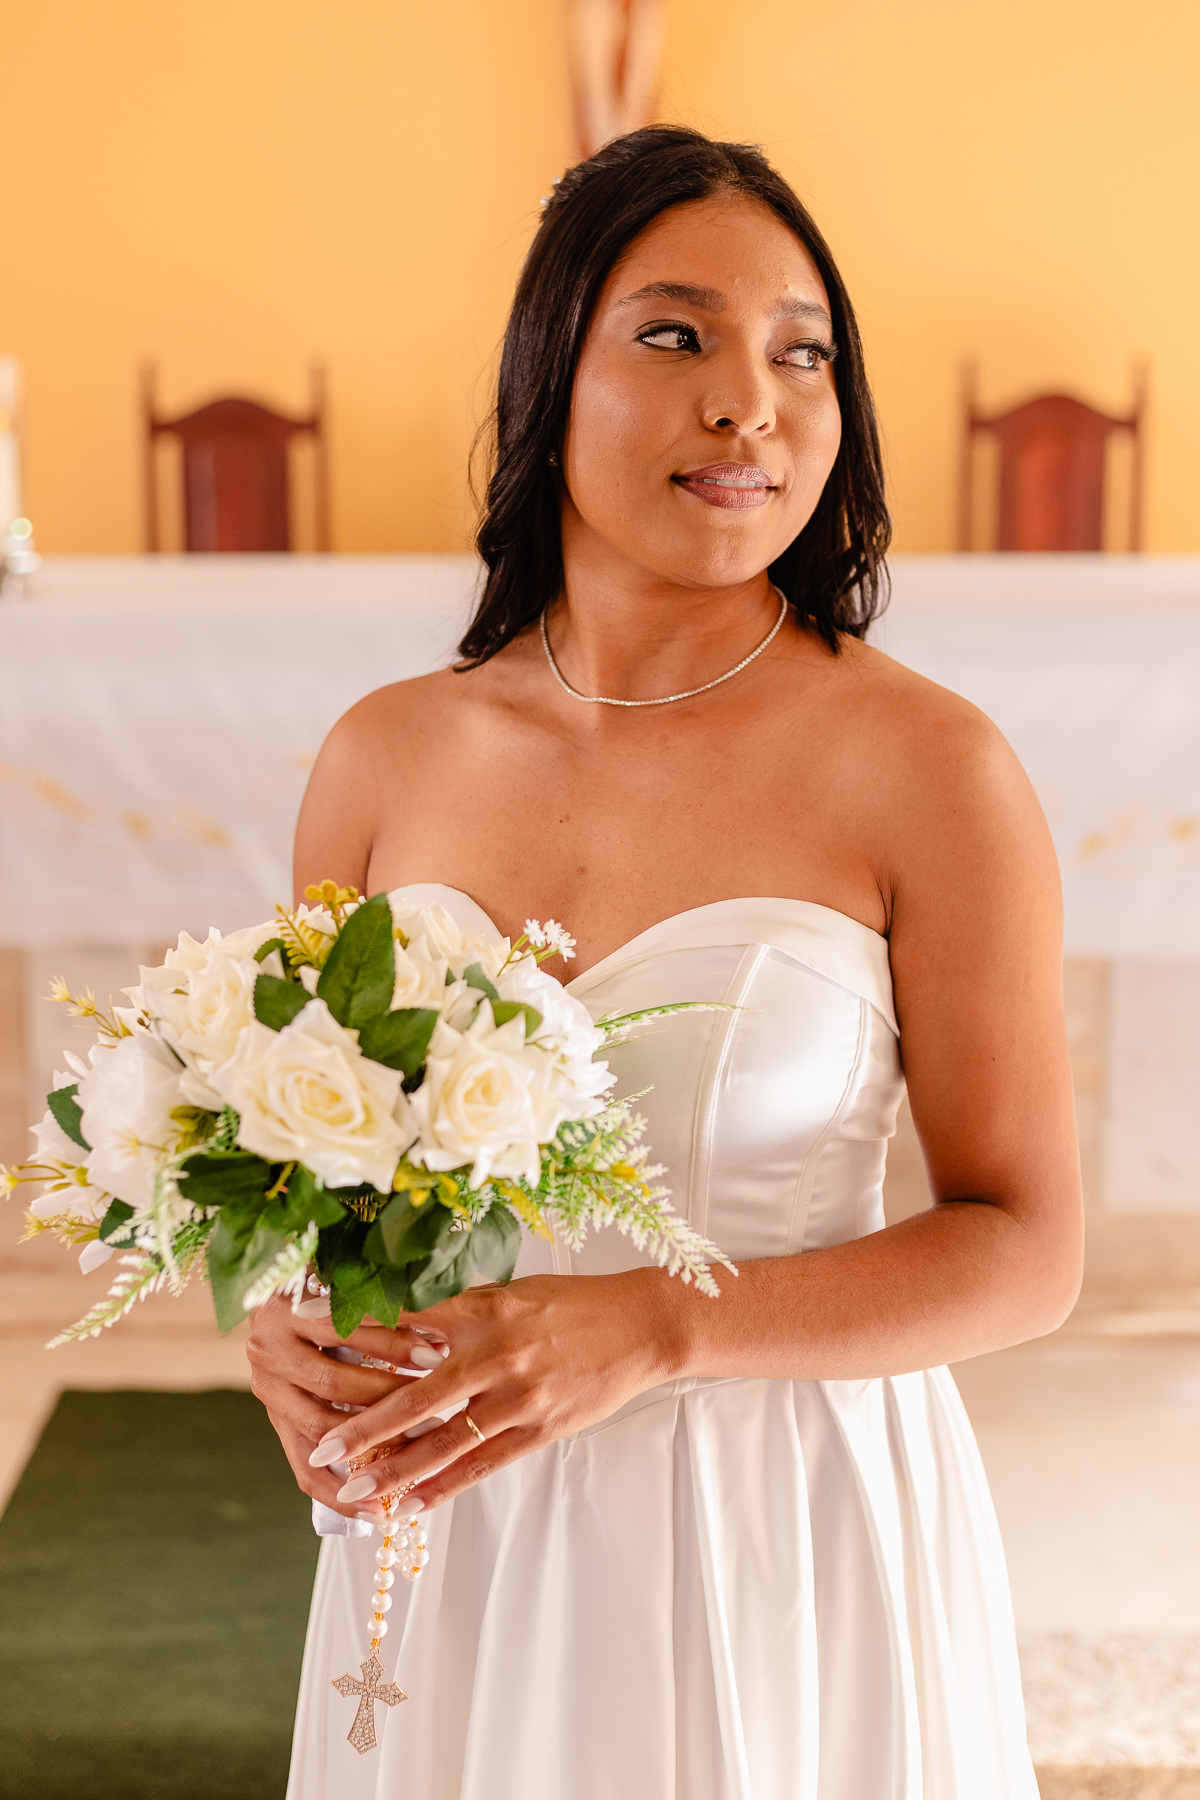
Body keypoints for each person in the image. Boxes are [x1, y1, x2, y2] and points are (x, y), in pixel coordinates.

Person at [248, 125, 1082, 1799]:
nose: (748, 404)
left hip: (788, 1518)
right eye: (676, 334)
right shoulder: (386, 759)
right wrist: (286, 1320)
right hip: (465, 1519)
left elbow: (1029, 1250)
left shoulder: (930, 768)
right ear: (550, 370)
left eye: (802, 354)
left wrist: (663, 1326)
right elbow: (316, 1188)